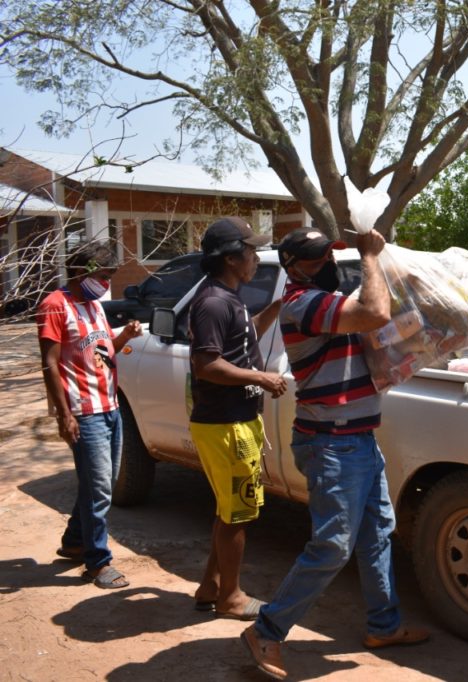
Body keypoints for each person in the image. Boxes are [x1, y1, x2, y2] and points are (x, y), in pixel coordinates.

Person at [241, 227, 428, 680]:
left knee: (377, 533)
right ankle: (265, 630)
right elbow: (374, 311)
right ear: (293, 267)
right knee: (332, 547)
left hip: (358, 439)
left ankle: (384, 626)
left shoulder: (327, 302)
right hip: (332, 445)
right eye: (317, 258)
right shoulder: (303, 304)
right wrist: (371, 257)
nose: (326, 263)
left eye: (329, 255)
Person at [189, 217, 287, 619]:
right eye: (250, 251)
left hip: (236, 420)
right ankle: (231, 598)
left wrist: (277, 307)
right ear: (231, 258)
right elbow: (207, 365)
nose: (256, 258)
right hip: (225, 423)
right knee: (238, 513)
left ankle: (211, 586)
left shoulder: (230, 299)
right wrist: (261, 377)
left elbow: (246, 337)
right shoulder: (213, 302)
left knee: (229, 509)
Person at [37, 240, 143, 588]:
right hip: (84, 413)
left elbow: (103, 351)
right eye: (104, 276)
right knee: (99, 489)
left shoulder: (94, 305)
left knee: (99, 483)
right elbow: (50, 364)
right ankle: (98, 562)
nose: (107, 283)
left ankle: (74, 542)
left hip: (110, 406)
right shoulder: (55, 306)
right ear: (82, 272)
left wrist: (126, 335)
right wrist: (63, 415)